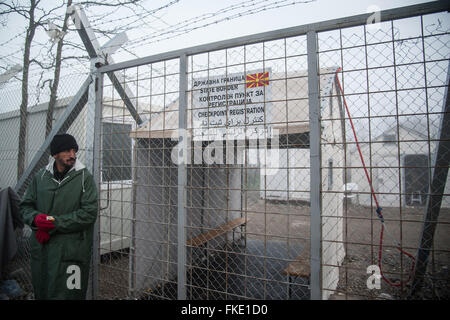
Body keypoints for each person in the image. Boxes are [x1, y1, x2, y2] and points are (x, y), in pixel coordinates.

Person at [20, 133, 98, 300]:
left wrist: (53, 223)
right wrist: (35, 219)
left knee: (70, 294)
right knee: (42, 291)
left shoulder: (85, 177)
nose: (73, 155)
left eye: (74, 150)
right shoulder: (40, 177)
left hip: (71, 252)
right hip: (42, 250)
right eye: (67, 151)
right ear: (55, 154)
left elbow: (89, 213)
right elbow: (25, 206)